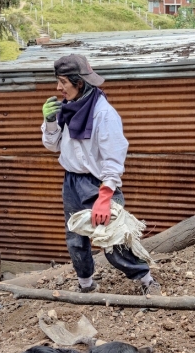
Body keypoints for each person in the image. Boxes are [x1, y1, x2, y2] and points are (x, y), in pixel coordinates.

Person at [41, 54, 162, 296]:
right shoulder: (67, 109)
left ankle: (147, 280)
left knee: (113, 239)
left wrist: (105, 197)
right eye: (58, 81)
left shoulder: (103, 113)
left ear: (80, 83)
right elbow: (53, 146)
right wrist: (50, 121)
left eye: (63, 82)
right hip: (72, 182)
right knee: (75, 238)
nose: (58, 88)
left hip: (100, 184)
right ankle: (86, 285)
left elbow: (114, 158)